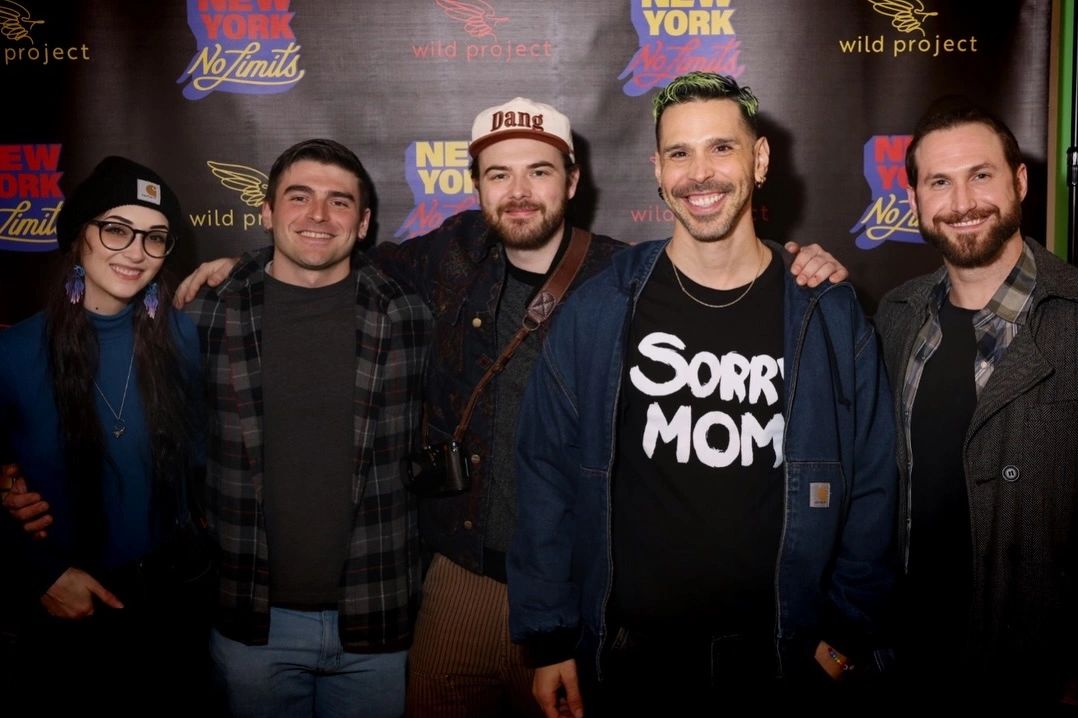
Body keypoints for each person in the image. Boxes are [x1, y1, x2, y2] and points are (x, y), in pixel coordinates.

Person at [166, 99, 849, 717]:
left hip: (584, 583)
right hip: (462, 578)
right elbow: (322, 248)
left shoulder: (628, 278)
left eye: (539, 172)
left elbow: (722, 265)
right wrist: (243, 265)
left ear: (572, 181)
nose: (519, 192)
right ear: (477, 186)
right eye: (499, 174)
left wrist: (796, 262)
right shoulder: (443, 259)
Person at [507, 71, 897, 717]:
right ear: (658, 171)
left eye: (721, 147)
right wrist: (549, 640)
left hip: (782, 661)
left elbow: (874, 481)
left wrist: (847, 634)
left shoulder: (825, 312)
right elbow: (545, 474)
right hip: (633, 661)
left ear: (760, 160)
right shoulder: (602, 308)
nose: (700, 174)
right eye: (680, 153)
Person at [184, 139, 431, 717]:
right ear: (267, 212)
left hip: (376, 618)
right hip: (251, 619)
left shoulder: (407, 314)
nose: (318, 215)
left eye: (339, 202)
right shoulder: (209, 312)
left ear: (363, 223)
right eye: (299, 197)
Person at [874, 97, 1078, 709]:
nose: (962, 203)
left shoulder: (1072, 317)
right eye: (939, 182)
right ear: (915, 199)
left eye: (980, 175)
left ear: (1020, 182)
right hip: (907, 661)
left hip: (1036, 676)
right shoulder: (894, 317)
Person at [0, 156, 209, 712]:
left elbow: (204, 458)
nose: (136, 252)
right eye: (117, 229)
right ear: (79, 237)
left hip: (173, 608)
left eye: (155, 237)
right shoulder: (13, 353)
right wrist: (41, 575)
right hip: (70, 609)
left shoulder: (182, 338)